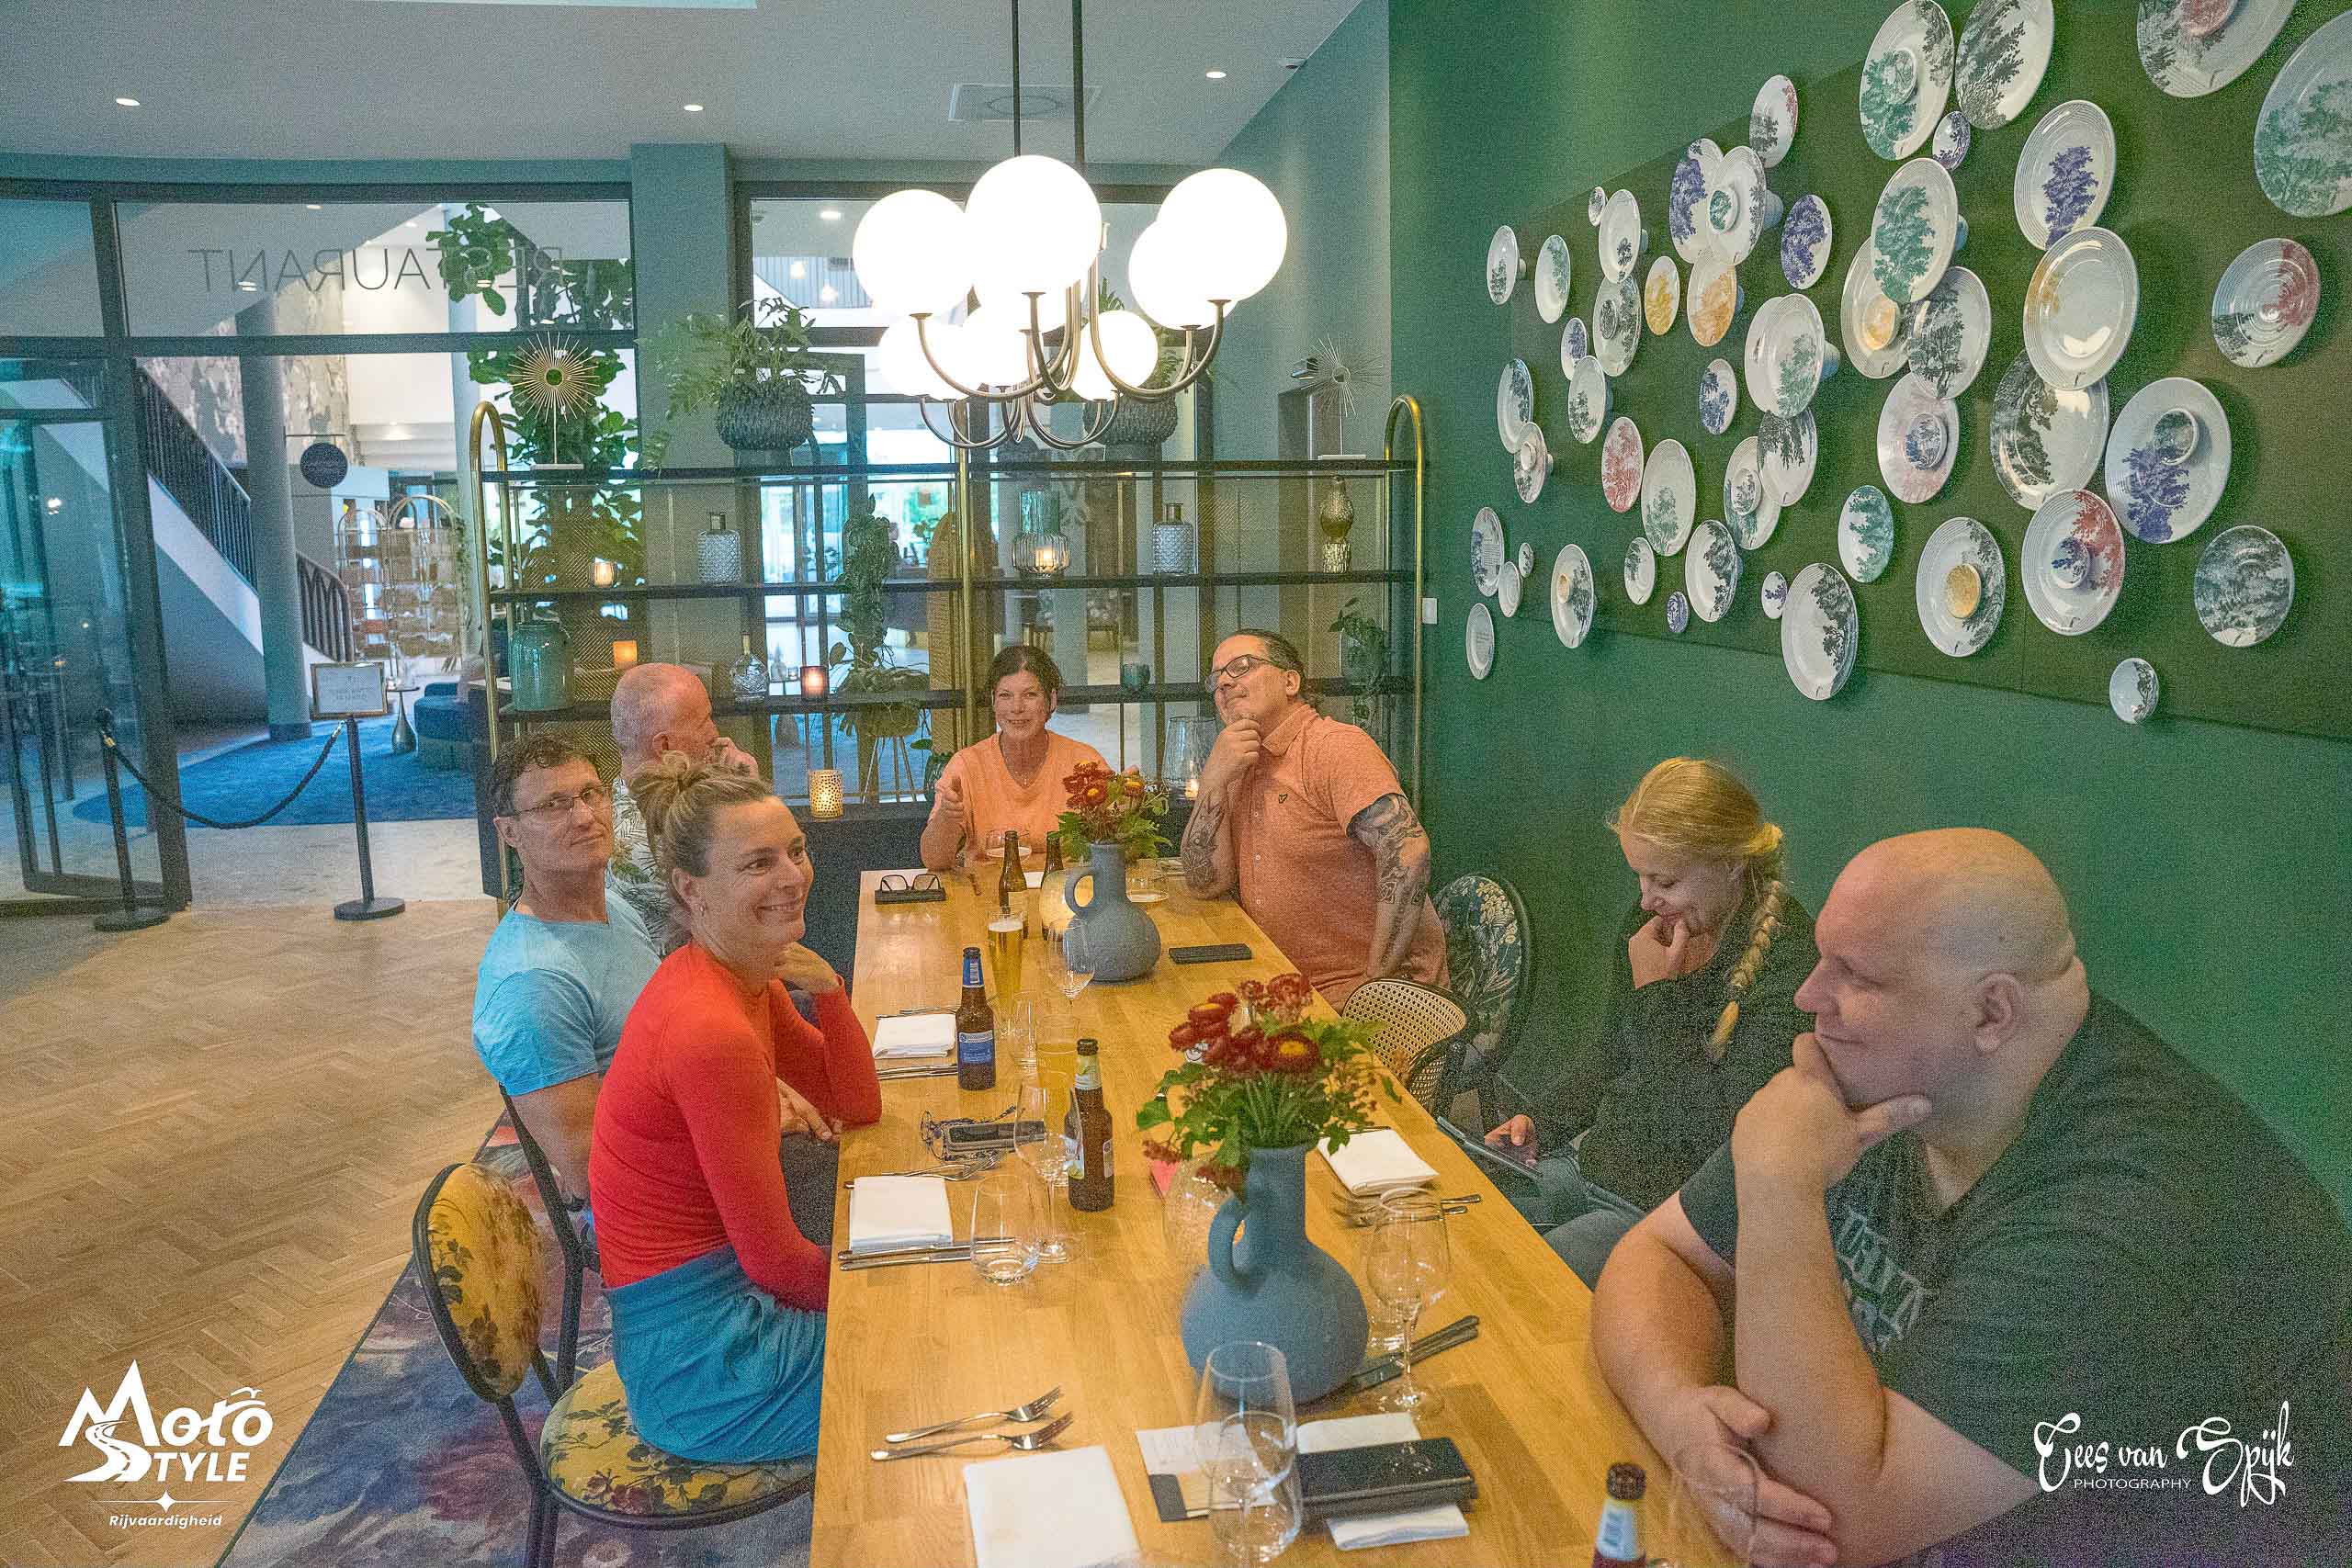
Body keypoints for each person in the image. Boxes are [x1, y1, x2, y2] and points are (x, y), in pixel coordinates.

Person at [1592, 829, 2352, 1566]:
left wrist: (1778, 1186)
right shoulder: (1893, 1073)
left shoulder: (2129, 1209)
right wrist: (1677, 1411)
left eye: (1856, 976)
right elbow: (1657, 1254)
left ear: (1992, 1012)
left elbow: (1825, 1522)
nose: (1807, 994)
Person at [589, 752, 882, 1462]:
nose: (793, 875)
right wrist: (884, 1300)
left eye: (796, 850)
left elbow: (855, 1103)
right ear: (690, 888)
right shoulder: (710, 1028)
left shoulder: (741, 973)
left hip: (714, 1309)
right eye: (757, 863)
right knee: (930, 1360)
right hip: (703, 1361)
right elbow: (775, 1261)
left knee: (936, 1314)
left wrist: (831, 992)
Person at [1476, 759, 1816, 1286]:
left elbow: (1717, 1135)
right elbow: (1610, 1053)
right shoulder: (1654, 924)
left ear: (1731, 864)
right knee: (1466, 1222)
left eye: (1666, 880)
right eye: (1640, 876)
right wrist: (1542, 1122)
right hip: (1594, 1163)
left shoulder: (1791, 965)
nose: (1645, 900)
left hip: (1668, 1212)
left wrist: (1659, 996)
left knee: (1518, 1283)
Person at [1180, 629, 1444, 1008]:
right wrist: (1213, 780)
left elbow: (1409, 853)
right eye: (1216, 678)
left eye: (1242, 667)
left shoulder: (1334, 747)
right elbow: (1204, 883)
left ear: (1290, 682)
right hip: (1281, 987)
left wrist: (1376, 982)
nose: (1223, 683)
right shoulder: (1236, 761)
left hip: (1368, 997)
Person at [470, 734, 659, 1242]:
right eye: (554, 805)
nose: (585, 817)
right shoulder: (532, 986)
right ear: (509, 831)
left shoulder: (611, 907)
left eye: (591, 794)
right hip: (652, 1222)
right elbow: (593, 1173)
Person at [920, 645, 1109, 871]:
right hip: (987, 891)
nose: (1017, 708)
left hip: (1068, 889)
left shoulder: (1085, 763)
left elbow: (1118, 852)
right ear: (993, 701)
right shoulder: (967, 765)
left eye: (1030, 695)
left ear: (1051, 700)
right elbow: (934, 862)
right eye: (1005, 696)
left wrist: (1125, 807)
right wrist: (947, 816)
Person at [607, 661, 758, 938]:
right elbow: (758, 906)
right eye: (704, 722)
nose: (715, 733)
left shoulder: (673, 804)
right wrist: (749, 795)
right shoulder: (642, 841)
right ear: (665, 746)